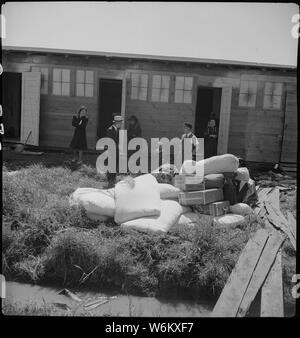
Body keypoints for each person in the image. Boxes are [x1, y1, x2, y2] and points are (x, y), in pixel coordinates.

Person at [106, 115, 123, 185]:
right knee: (111, 165)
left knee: (115, 165)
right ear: (117, 122)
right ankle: (110, 179)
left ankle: (113, 179)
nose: (121, 124)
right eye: (120, 123)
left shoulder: (117, 130)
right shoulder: (110, 130)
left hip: (116, 150)